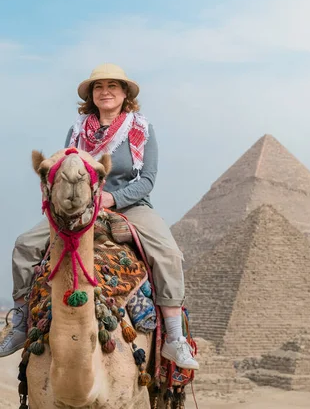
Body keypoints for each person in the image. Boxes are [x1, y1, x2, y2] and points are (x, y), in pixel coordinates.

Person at [0, 63, 198, 370]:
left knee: (169, 253)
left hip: (130, 206)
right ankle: (21, 323)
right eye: (98, 87)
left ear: (124, 94)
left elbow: (147, 179)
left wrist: (112, 198)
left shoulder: (141, 129)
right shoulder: (78, 130)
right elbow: (65, 171)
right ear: (92, 95)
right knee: (25, 245)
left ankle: (174, 339)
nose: (105, 92)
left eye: (112, 86)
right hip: (81, 206)